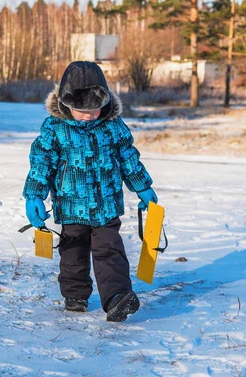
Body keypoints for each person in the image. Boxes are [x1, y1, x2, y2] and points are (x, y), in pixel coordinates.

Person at [23, 61, 158, 322]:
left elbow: (129, 158)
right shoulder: (55, 128)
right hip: (71, 207)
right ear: (65, 104)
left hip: (106, 205)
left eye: (94, 109)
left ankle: (117, 297)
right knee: (73, 253)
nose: (88, 115)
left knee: (110, 251)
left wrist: (143, 186)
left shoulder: (113, 126)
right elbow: (41, 163)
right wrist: (34, 195)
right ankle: (75, 296)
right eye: (80, 110)